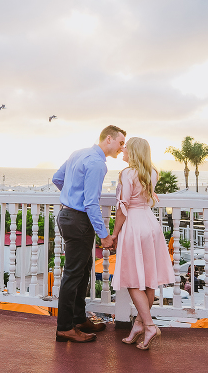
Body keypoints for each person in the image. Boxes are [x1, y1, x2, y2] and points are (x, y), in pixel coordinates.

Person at [52, 125, 124, 343]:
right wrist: (104, 236)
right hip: (78, 220)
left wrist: (72, 195)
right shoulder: (96, 163)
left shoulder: (78, 153)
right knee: (74, 273)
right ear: (108, 139)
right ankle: (65, 328)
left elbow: (57, 178)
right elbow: (91, 203)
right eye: (120, 143)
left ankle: (78, 318)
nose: (122, 148)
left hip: (66, 215)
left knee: (82, 270)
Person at [111, 137, 174, 350]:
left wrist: (115, 233)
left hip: (134, 226)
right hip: (151, 225)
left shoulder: (127, 173)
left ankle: (148, 325)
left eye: (126, 148)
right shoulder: (152, 172)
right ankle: (139, 324)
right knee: (148, 279)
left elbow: (123, 207)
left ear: (134, 152)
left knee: (131, 279)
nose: (123, 151)